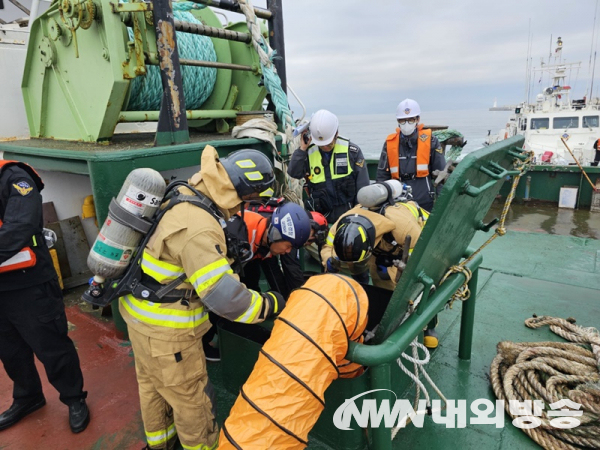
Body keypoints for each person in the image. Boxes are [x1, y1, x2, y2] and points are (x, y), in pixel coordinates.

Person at [118, 146, 285, 450]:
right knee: (192, 402)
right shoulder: (199, 226)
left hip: (139, 319)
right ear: (241, 192)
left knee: (153, 389)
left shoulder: (183, 192)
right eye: (248, 202)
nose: (240, 211)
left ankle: (160, 446)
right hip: (169, 336)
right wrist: (271, 304)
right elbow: (227, 300)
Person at [0, 160, 90, 433]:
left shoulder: (14, 177)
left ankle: (74, 398)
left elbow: (19, 227)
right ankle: (28, 397)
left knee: (51, 346)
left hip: (30, 284)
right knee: (10, 351)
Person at [321, 196, 440, 349]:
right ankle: (388, 319)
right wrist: (329, 260)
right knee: (383, 286)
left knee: (421, 286)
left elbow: (422, 257)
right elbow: (327, 247)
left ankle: (430, 325)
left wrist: (406, 269)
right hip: (378, 249)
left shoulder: (404, 228)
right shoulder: (340, 225)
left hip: (411, 243)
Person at [287, 109, 370, 223]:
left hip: (348, 215)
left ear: (336, 133)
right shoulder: (309, 153)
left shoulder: (351, 152)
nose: (325, 147)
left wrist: (358, 215)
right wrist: (302, 149)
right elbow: (294, 172)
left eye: (328, 143)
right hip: (321, 218)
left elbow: (363, 186)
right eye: (322, 145)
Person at [376, 99, 446, 212]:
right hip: (398, 200)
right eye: (403, 120)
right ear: (398, 121)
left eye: (410, 119)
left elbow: (441, 174)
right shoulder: (389, 144)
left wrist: (441, 203)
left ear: (417, 119)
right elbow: (382, 176)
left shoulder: (431, 142)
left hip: (424, 198)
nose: (406, 124)